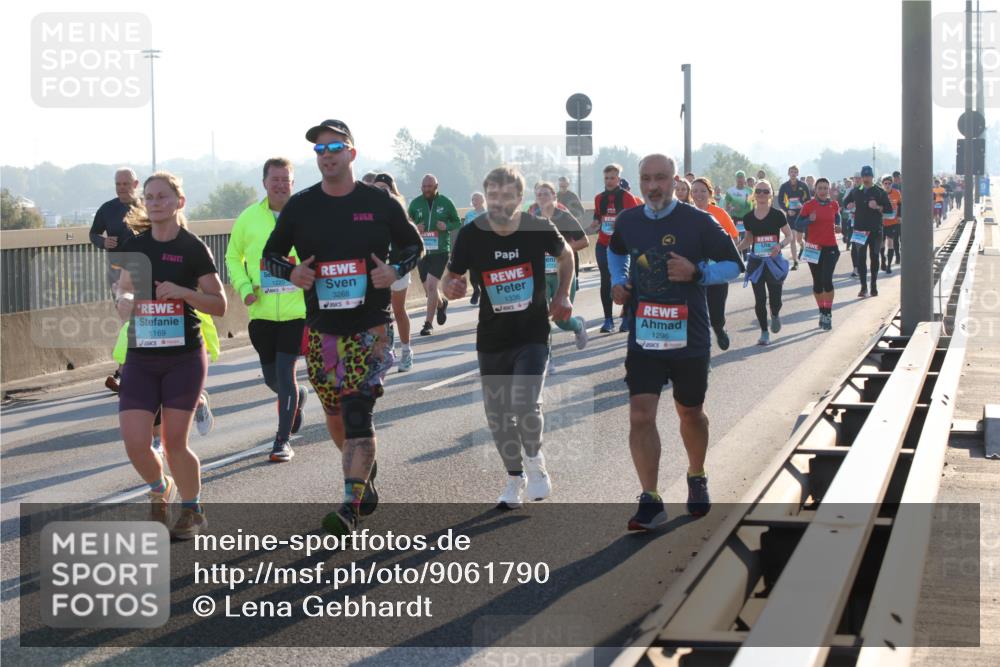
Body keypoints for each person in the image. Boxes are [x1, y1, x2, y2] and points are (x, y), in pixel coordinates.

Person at [263, 119, 423, 534]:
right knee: (335, 414)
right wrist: (292, 272)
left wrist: (395, 269)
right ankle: (364, 474)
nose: (327, 155)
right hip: (322, 330)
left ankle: (349, 509)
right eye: (320, 149)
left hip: (371, 327)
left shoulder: (380, 202)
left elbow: (414, 245)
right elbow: (271, 256)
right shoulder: (301, 205)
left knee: (356, 411)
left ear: (351, 153)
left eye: (335, 147)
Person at [608, 154, 743, 530]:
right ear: (639, 181)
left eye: (661, 178)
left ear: (674, 180)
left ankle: (696, 475)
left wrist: (697, 272)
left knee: (690, 413)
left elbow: (734, 265)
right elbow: (615, 250)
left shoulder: (698, 221)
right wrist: (618, 281)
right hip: (644, 337)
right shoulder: (629, 220)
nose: (653, 186)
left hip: (689, 337)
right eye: (647, 179)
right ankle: (650, 499)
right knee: (640, 414)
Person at [442, 167, 574, 508]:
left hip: (532, 333)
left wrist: (562, 294)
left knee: (525, 403)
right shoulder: (471, 234)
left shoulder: (538, 227)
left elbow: (567, 255)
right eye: (493, 196)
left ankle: (535, 460)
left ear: (519, 198)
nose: (498, 202)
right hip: (492, 336)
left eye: (506, 196)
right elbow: (449, 277)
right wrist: (449, 288)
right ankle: (515, 478)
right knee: (498, 416)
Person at [115, 172, 227, 539]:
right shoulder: (136, 247)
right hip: (141, 356)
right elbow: (123, 292)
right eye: (149, 197)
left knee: (174, 442)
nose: (155, 202)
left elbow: (219, 304)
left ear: (179, 201)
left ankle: (193, 510)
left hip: (184, 358)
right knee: (135, 441)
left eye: (162, 196)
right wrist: (124, 300)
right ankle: (160, 486)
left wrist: (183, 292)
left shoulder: (193, 248)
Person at [226, 158, 308, 461]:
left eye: (286, 179)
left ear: (293, 183)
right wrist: (245, 287)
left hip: (296, 311)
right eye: (275, 179)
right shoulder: (248, 218)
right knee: (272, 380)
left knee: (285, 376)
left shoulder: (305, 216)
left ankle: (282, 441)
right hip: (260, 312)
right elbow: (232, 256)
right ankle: (298, 396)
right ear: (264, 183)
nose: (280, 185)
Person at [529, 181, 590, 372]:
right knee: (541, 318)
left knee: (561, 320)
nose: (542, 198)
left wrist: (561, 251)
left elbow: (584, 241)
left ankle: (577, 326)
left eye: (546, 194)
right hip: (540, 274)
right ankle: (548, 360)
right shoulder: (532, 218)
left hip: (563, 273)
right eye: (539, 194)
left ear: (554, 197)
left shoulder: (564, 217)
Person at [92, 167, 139, 393]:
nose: (121, 188)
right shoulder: (107, 209)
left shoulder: (146, 207)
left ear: (135, 184)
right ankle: (125, 373)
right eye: (118, 184)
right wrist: (103, 242)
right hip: (117, 273)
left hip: (144, 272)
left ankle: (126, 373)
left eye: (125, 184)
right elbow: (93, 233)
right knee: (127, 320)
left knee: (139, 321)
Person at [737, 179, 795, 345]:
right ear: (754, 194)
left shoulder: (777, 215)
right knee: (760, 299)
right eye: (759, 191)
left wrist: (779, 245)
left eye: (765, 191)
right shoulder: (748, 217)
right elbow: (749, 240)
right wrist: (735, 249)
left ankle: (775, 314)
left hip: (774, 262)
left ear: (771, 194)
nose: (762, 194)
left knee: (776, 300)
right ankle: (764, 332)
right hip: (756, 262)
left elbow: (789, 235)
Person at [370, 173, 416, 372]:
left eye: (385, 188)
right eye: (377, 188)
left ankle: (406, 351)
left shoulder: (399, 211)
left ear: (392, 190)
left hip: (397, 268)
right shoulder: (367, 212)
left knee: (398, 310)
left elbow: (413, 245)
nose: (381, 191)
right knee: (379, 314)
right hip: (377, 271)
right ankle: (385, 351)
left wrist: (400, 266)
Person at [590, 163, 642, 333]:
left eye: (612, 178)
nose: (609, 181)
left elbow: (635, 220)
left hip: (622, 247)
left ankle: (626, 317)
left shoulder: (627, 197)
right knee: (606, 280)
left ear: (618, 179)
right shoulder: (599, 198)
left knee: (623, 280)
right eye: (606, 178)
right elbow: (598, 216)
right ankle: (608, 320)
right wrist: (595, 223)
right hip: (603, 243)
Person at [408, 174, 461, 335]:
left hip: (440, 251)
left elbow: (457, 222)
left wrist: (446, 226)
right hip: (422, 251)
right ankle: (441, 304)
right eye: (424, 187)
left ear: (436, 187)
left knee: (432, 286)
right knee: (428, 290)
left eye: (429, 187)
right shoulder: (415, 203)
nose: (426, 189)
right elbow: (407, 223)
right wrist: (415, 227)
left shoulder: (446, 202)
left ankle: (428, 324)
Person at [691, 177, 738, 350]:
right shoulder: (685, 214)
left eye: (703, 191)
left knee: (716, 310)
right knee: (696, 312)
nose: (699, 194)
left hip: (717, 269)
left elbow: (733, 236)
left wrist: (725, 254)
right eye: (695, 191)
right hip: (693, 271)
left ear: (710, 194)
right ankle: (700, 349)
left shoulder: (719, 213)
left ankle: (719, 328)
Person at [797, 178, 842, 330]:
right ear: (815, 190)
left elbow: (837, 217)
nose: (823, 191)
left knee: (827, 280)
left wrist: (838, 225)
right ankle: (821, 310)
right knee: (817, 283)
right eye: (820, 188)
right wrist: (809, 220)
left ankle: (828, 313)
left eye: (825, 188)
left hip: (830, 248)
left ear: (828, 190)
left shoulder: (833, 204)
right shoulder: (808, 206)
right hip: (813, 248)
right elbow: (797, 224)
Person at [842, 166, 893, 297]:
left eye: (868, 176)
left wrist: (878, 207)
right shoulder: (856, 191)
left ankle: (873, 286)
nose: (866, 179)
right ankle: (863, 287)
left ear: (872, 177)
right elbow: (845, 202)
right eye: (864, 176)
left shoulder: (879, 192)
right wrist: (848, 205)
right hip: (859, 230)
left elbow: (889, 210)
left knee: (874, 257)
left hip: (875, 230)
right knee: (861, 258)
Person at [777, 165, 811, 270]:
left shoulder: (803, 185)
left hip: (801, 214)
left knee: (799, 238)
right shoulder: (784, 186)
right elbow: (780, 201)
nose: (793, 174)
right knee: (792, 238)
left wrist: (803, 208)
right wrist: (787, 210)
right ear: (788, 173)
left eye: (795, 172)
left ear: (797, 173)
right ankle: (795, 262)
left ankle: (802, 245)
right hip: (790, 215)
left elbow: (809, 200)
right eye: (791, 172)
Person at [463, 191, 487, 305]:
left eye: (477, 199)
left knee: (484, 272)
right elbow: (464, 231)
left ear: (482, 200)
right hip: (472, 248)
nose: (474, 201)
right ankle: (476, 290)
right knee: (473, 274)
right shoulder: (469, 215)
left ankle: (485, 293)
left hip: (486, 248)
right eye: (473, 199)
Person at [880, 175, 902, 273]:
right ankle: (883, 260)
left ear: (892, 184)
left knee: (890, 243)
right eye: (885, 183)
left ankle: (889, 265)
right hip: (881, 223)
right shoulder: (879, 194)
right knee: (881, 244)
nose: (887, 185)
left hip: (893, 222)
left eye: (889, 183)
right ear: (882, 184)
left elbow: (900, 204)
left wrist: (899, 216)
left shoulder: (897, 193)